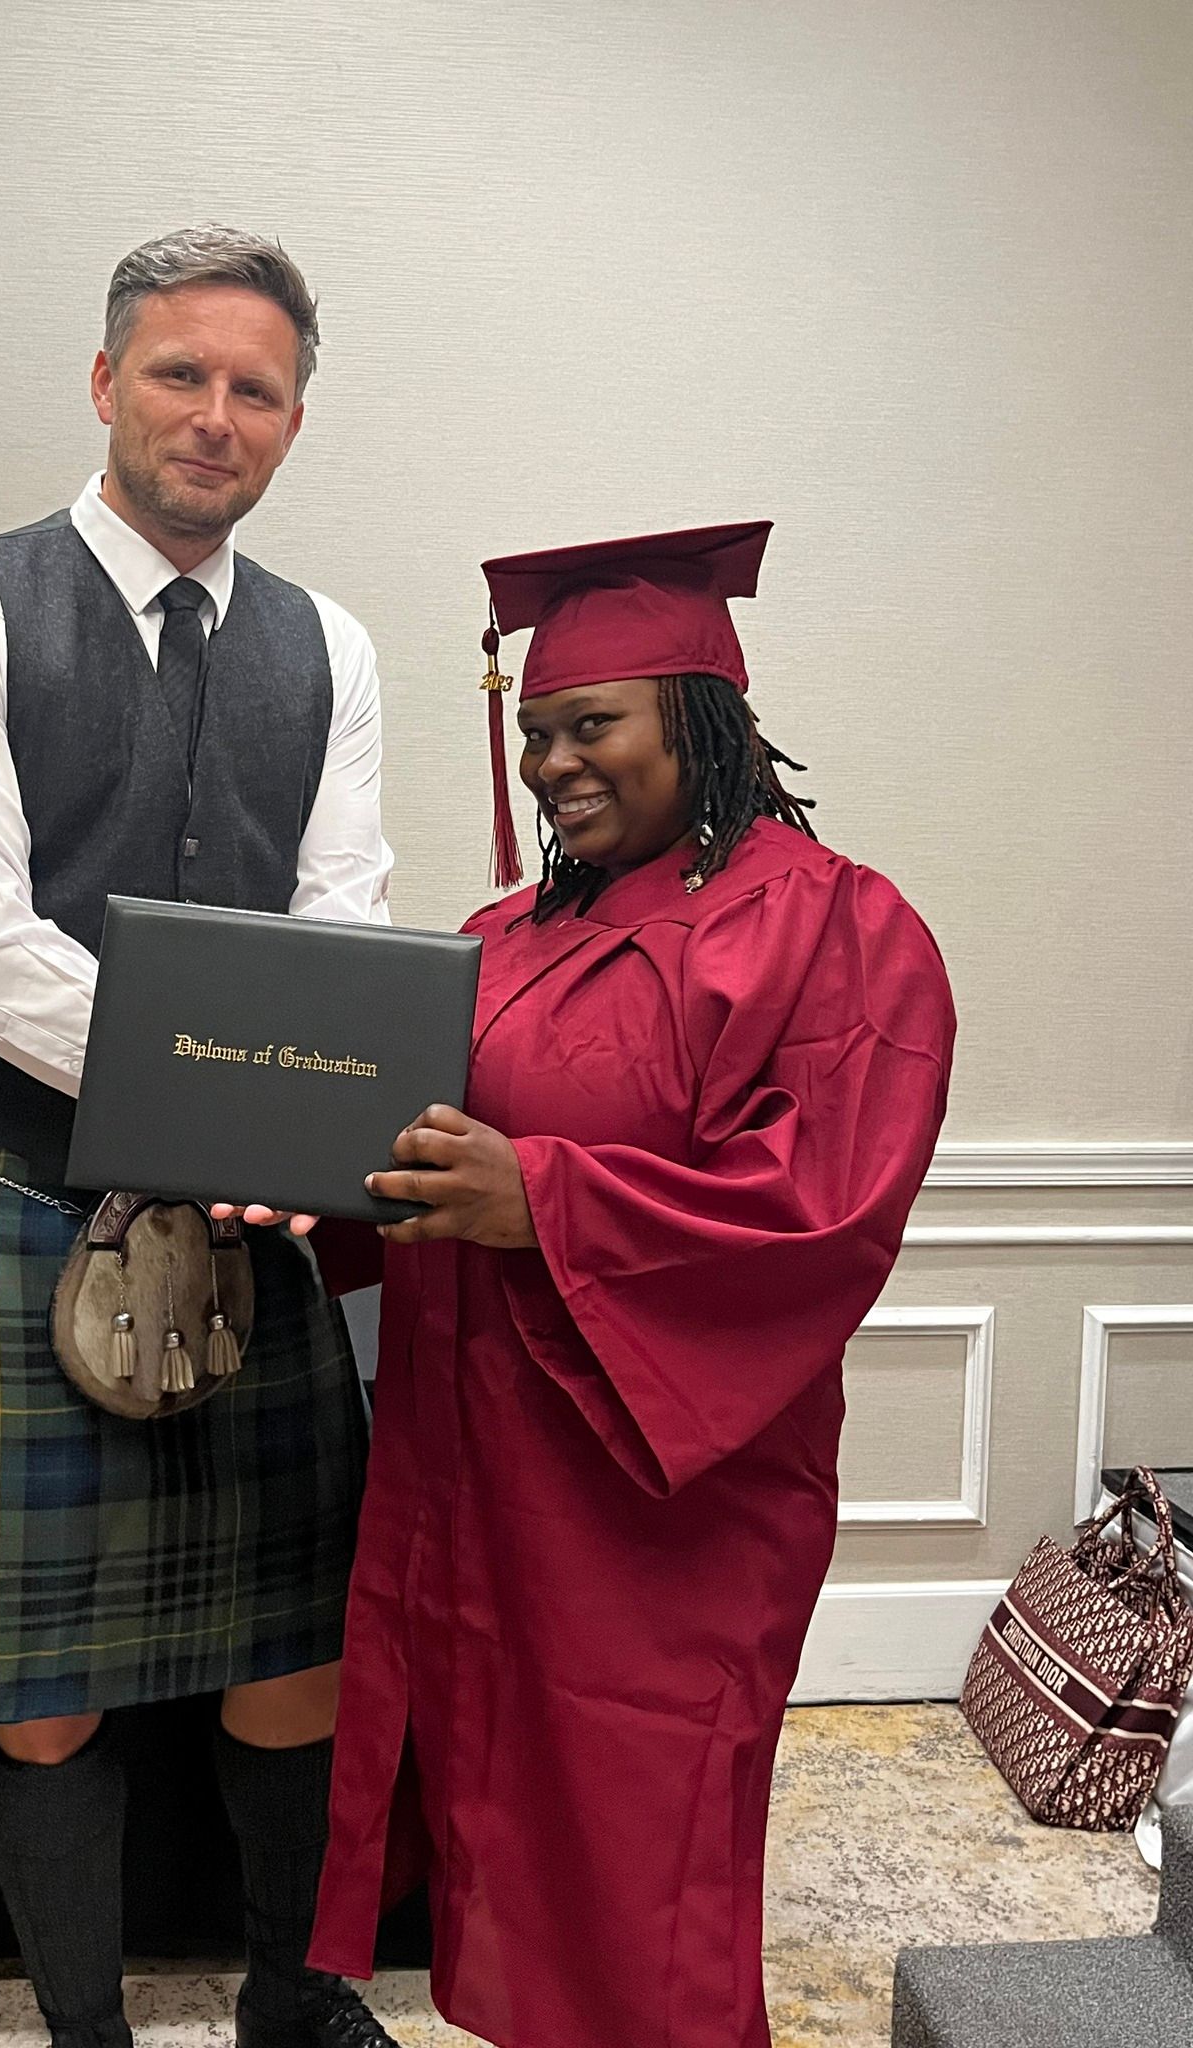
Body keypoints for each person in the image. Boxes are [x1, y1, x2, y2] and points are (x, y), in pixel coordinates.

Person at [0, 226, 399, 2048]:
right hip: (9, 1200)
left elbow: (345, 921)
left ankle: (296, 2006)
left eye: (257, 389)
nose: (215, 418)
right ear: (104, 381)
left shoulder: (332, 647)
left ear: (297, 419)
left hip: (243, 1215)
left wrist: (285, 1120)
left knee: (296, 1652)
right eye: (180, 373)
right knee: (41, 1693)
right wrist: (239, 1100)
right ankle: (89, 2041)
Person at [301, 525, 957, 2048]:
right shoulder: (501, 939)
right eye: (534, 732)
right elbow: (410, 1166)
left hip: (663, 1499)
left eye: (591, 724)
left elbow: (824, 1210)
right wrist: (299, 1184)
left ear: (701, 718)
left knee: (650, 1853)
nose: (552, 764)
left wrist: (537, 1197)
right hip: (478, 1475)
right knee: (508, 1837)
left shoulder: (831, 924)